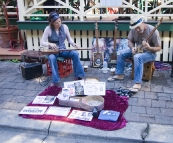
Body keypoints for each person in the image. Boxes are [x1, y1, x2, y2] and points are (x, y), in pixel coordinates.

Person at [108, 15, 161, 92]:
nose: (137, 29)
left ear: (142, 22)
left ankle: (137, 83)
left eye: (138, 27)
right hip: (139, 50)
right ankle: (120, 74)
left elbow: (159, 48)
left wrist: (149, 48)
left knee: (137, 57)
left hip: (150, 53)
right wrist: (132, 47)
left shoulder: (153, 31)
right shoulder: (134, 30)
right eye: (135, 28)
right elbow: (129, 40)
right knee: (121, 53)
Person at [41, 11, 85, 86]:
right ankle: (55, 80)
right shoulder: (48, 29)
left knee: (75, 53)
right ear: (52, 23)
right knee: (51, 58)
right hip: (53, 51)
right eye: (56, 23)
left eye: (59, 21)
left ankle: (78, 75)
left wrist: (75, 45)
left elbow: (69, 39)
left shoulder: (64, 27)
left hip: (63, 49)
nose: (59, 24)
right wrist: (49, 44)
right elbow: (42, 42)